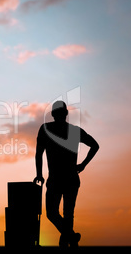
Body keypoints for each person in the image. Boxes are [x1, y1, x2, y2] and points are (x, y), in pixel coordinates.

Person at [33, 101, 99, 248]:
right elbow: (95, 145)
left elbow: (38, 154)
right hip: (68, 179)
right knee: (65, 214)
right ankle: (71, 237)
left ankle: (68, 240)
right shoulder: (72, 131)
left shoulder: (46, 129)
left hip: (58, 179)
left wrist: (39, 174)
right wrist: (83, 165)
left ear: (53, 114)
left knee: (54, 213)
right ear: (65, 114)